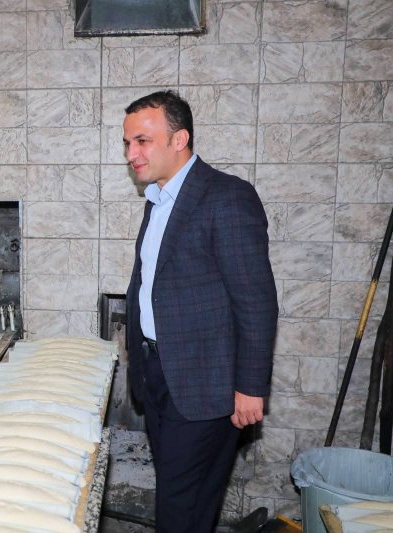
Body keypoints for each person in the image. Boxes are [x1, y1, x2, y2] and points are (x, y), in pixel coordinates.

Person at [122, 91, 278, 532]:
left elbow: (256, 300)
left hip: (205, 386)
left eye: (142, 141)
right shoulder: (158, 199)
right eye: (127, 144)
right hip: (159, 376)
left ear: (180, 139)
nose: (132, 154)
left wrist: (250, 387)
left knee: (179, 510)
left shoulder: (226, 197)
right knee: (186, 503)